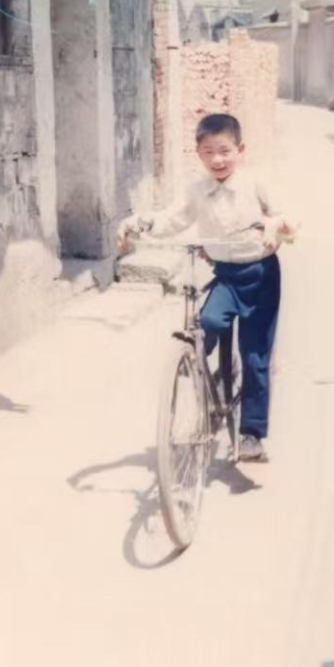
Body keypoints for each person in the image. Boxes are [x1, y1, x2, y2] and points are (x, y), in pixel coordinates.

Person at [118, 113, 296, 463]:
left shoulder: (255, 183)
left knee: (255, 355)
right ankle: (204, 370)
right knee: (209, 322)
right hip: (226, 274)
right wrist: (140, 223)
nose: (217, 160)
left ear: (240, 150)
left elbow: (287, 216)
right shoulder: (197, 190)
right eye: (209, 152)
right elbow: (172, 219)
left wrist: (277, 225)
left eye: (225, 151)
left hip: (260, 274)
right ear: (198, 154)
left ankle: (251, 435)